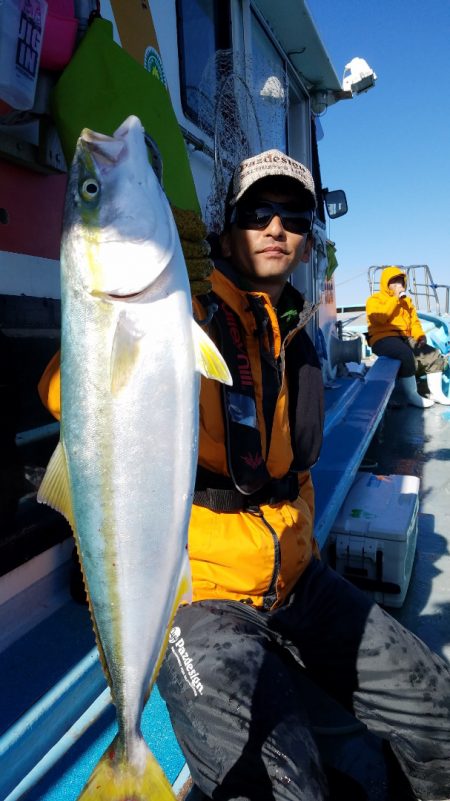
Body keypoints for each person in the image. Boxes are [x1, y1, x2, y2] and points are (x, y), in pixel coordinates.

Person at [39, 151, 450, 801]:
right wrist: (140, 303)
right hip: (201, 597)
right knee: (284, 789)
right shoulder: (188, 310)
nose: (277, 226)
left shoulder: (296, 334)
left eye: (294, 213)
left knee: (440, 712)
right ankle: (131, 754)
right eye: (259, 210)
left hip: (295, 574)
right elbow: (74, 394)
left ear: (310, 234)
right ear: (227, 227)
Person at [366, 266, 450, 407]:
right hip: (382, 338)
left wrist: (419, 336)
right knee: (405, 355)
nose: (398, 285)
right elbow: (380, 318)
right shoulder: (374, 300)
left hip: (405, 337)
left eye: (400, 282)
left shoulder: (408, 302)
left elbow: (414, 323)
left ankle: (436, 393)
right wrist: (395, 299)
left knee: (433, 354)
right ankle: (412, 395)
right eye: (394, 282)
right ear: (386, 284)